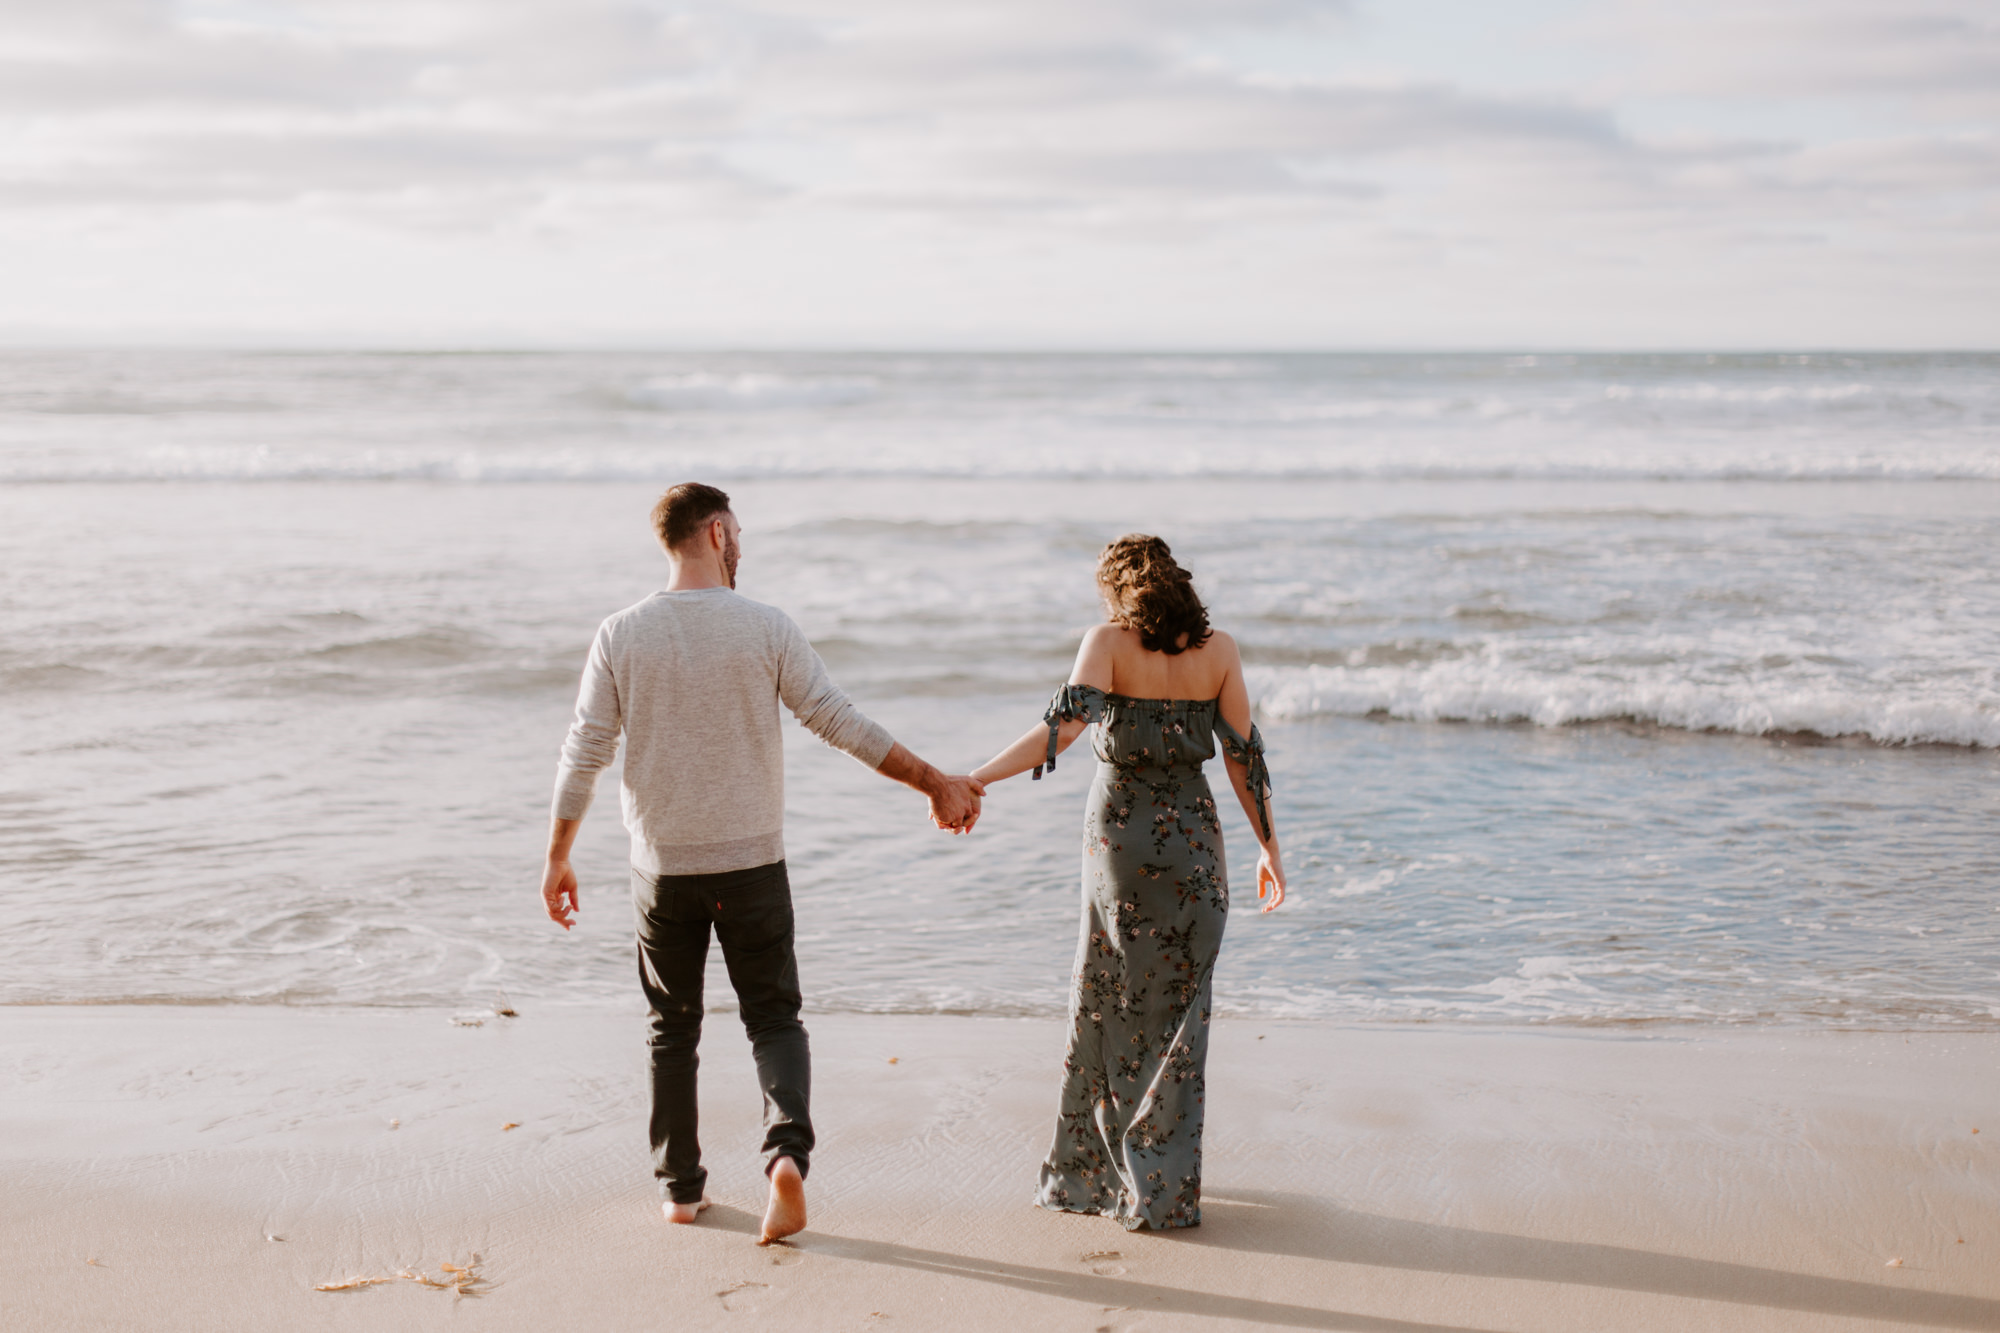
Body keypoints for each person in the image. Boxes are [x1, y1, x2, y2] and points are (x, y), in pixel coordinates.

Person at [540, 482, 984, 1245]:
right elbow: (839, 721)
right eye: (737, 531)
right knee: (773, 1017)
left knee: (670, 1030)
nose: (742, 543)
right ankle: (785, 1157)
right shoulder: (766, 627)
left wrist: (558, 857)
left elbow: (584, 750)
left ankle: (681, 1190)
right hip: (752, 867)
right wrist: (936, 782)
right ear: (715, 532)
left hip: (663, 871)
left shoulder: (621, 633)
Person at [971, 533, 1285, 1231]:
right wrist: (1270, 848)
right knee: (1182, 1008)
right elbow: (1243, 759)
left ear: (1118, 589)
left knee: (1110, 995)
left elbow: (1063, 727)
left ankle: (1095, 1173)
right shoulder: (1221, 651)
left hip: (1121, 839)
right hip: (1197, 845)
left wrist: (977, 776)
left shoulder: (1107, 642)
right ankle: (1165, 1183)